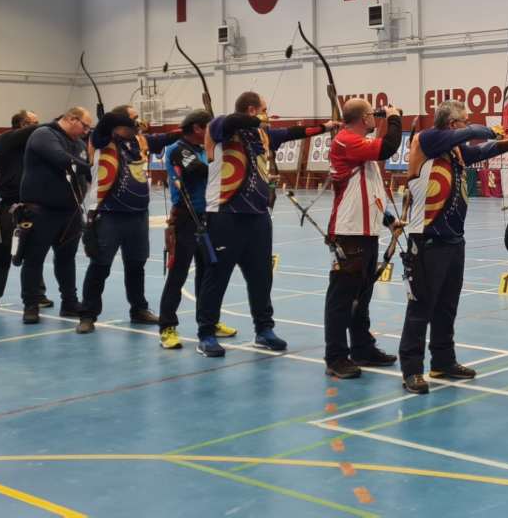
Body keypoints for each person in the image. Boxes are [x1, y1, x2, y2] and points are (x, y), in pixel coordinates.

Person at [397, 99, 508, 394]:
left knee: (447, 306)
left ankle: (443, 361)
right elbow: (471, 135)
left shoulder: (455, 151)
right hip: (426, 238)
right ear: (452, 123)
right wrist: (486, 129)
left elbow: (483, 150)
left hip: (453, 240)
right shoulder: (427, 140)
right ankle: (411, 369)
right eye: (464, 121)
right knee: (421, 307)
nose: (466, 125)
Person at [194, 92, 334, 357]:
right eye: (264, 110)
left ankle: (264, 329)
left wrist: (326, 127)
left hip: (258, 217)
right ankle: (206, 334)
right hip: (225, 214)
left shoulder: (263, 135)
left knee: (261, 277)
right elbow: (233, 120)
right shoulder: (220, 128)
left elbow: (295, 132)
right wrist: (255, 119)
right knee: (217, 277)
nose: (268, 114)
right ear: (252, 109)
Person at [75, 105, 180, 334]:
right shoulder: (102, 139)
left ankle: (139, 309)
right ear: (120, 123)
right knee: (100, 265)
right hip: (109, 214)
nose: (138, 124)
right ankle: (88, 314)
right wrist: (125, 119)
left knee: (136, 265)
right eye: (133, 120)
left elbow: (166, 138)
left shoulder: (139, 141)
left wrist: (187, 129)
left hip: (138, 215)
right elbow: (107, 121)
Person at [321, 98, 404, 378]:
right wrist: (394, 118)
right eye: (372, 113)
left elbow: (369, 194)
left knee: (362, 296)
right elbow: (388, 147)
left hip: (367, 231)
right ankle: (335, 356)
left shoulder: (361, 151)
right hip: (348, 232)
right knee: (342, 297)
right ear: (362, 118)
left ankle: (362, 348)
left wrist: (389, 219)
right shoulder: (346, 140)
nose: (375, 117)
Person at [156, 110, 235, 349]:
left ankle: (208, 322)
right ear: (198, 129)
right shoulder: (178, 149)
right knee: (179, 273)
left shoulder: (203, 149)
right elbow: (197, 171)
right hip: (186, 218)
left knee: (208, 272)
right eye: (208, 128)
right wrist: (218, 161)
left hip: (208, 216)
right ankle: (167, 326)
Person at [15, 108, 94, 324]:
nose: (86, 131)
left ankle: (69, 303)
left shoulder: (78, 144)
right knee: (34, 259)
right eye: (84, 126)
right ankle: (31, 305)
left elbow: (84, 176)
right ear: (71, 119)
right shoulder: (44, 134)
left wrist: (81, 194)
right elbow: (62, 160)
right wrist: (88, 167)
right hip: (41, 210)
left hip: (69, 212)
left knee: (67, 260)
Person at [0, 110, 53, 314]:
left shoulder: (37, 146)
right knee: (2, 251)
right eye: (32, 123)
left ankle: (36, 295)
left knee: (34, 251)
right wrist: (58, 123)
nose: (37, 126)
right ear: (20, 125)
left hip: (33, 205)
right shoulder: (6, 139)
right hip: (7, 206)